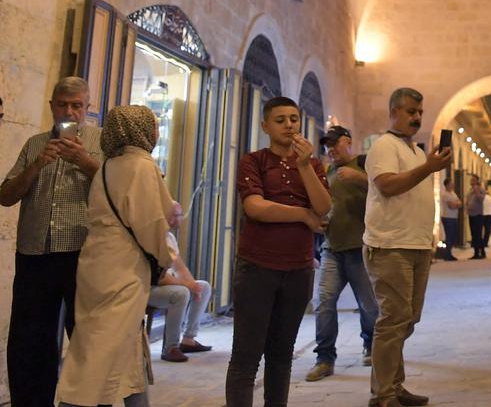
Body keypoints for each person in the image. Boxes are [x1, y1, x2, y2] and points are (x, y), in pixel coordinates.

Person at [56, 105, 175, 407]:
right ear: (142, 130)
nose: (157, 133)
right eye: (154, 126)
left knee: (124, 349)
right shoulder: (141, 166)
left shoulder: (109, 164)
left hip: (97, 264)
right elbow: (150, 224)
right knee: (98, 355)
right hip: (123, 268)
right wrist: (165, 259)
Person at [2, 76, 102, 406]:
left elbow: (119, 190)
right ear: (52, 106)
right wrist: (36, 166)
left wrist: (85, 162)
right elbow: (5, 196)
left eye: (77, 105)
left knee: (87, 339)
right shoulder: (34, 143)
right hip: (34, 253)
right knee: (29, 341)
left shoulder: (102, 143)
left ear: (88, 108)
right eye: (63, 104)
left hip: (82, 255)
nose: (69, 111)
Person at [225, 97, 331, 407]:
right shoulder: (253, 161)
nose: (289, 125)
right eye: (281, 120)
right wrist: (301, 215)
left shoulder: (311, 164)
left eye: (294, 119)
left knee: (282, 354)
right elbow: (255, 207)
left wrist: (303, 167)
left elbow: (323, 207)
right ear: (265, 126)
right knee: (246, 355)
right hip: (257, 266)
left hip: (298, 269)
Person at [364, 88, 452, 407]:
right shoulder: (383, 146)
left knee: (407, 319)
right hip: (390, 245)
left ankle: (394, 385)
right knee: (393, 318)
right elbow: (387, 186)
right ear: (393, 112)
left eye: (419, 112)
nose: (417, 117)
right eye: (410, 111)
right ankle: (383, 394)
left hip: (415, 245)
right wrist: (429, 168)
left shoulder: (415, 151)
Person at [306, 125, 380, 382]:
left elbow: (386, 194)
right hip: (331, 249)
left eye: (334, 144)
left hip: (360, 248)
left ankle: (370, 344)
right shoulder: (326, 172)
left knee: (369, 305)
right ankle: (324, 358)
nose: (330, 150)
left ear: (348, 141)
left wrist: (361, 179)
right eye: (326, 146)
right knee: (323, 302)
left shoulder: (365, 165)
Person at [147, 201, 213, 362]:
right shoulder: (152, 238)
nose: (179, 219)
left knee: (203, 286)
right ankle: (171, 347)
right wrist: (187, 285)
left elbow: (179, 267)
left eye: (180, 215)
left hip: (167, 283)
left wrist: (194, 286)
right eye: (175, 215)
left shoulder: (169, 237)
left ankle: (188, 339)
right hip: (148, 287)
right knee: (181, 293)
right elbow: (159, 277)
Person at [465, 175, 489, 259]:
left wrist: (477, 192)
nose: (471, 181)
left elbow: (481, 199)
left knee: (478, 234)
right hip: (471, 214)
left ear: (477, 181)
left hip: (478, 215)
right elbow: (467, 200)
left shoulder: (481, 189)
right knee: (473, 234)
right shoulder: (469, 190)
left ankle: (481, 252)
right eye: (471, 180)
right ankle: (477, 253)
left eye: (473, 180)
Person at [439, 176, 462, 261]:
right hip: (447, 217)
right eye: (451, 184)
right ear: (447, 185)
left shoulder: (453, 193)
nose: (452, 185)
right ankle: (447, 255)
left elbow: (460, 203)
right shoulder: (445, 194)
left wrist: (456, 204)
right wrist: (456, 204)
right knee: (449, 236)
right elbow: (451, 206)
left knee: (453, 236)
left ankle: (449, 253)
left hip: (454, 217)